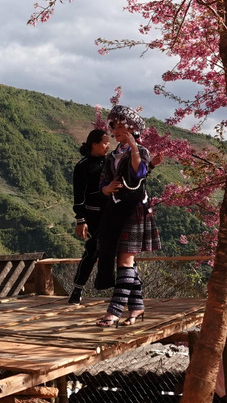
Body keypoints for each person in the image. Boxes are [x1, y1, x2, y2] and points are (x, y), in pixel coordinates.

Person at [95, 105, 161, 327]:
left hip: (134, 209)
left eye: (123, 126)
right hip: (115, 209)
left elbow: (138, 173)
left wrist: (133, 145)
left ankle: (114, 311)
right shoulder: (112, 155)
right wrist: (107, 189)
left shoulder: (141, 151)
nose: (118, 130)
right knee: (125, 260)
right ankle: (137, 307)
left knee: (124, 259)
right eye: (116, 126)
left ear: (133, 130)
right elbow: (102, 183)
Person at [68, 129, 111, 304]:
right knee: (93, 250)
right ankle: (78, 289)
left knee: (121, 250)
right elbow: (79, 195)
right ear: (94, 143)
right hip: (93, 215)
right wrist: (81, 219)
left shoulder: (109, 163)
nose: (108, 146)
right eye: (105, 142)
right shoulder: (83, 166)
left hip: (111, 213)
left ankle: (123, 292)